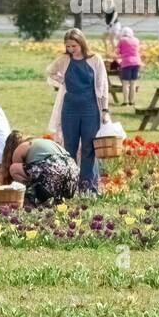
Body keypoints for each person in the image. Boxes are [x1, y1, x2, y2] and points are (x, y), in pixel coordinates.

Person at [47, 28, 111, 194]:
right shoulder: (64, 59)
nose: (71, 49)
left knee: (89, 148)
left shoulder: (95, 60)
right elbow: (50, 72)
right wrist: (62, 81)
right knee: (70, 147)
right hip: (69, 109)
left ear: (81, 43)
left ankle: (88, 188)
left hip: (91, 109)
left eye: (73, 46)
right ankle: (70, 187)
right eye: (68, 46)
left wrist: (105, 110)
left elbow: (103, 85)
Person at [1, 131, 79, 207]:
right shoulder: (41, 142)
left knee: (13, 168)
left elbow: (17, 182)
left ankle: (34, 198)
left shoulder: (21, 148)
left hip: (53, 170)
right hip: (73, 178)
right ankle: (54, 199)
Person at [116, 26, 142, 107]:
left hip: (126, 62)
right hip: (136, 62)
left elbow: (117, 52)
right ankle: (132, 101)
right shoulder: (136, 40)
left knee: (125, 84)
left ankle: (125, 101)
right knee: (133, 83)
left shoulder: (122, 40)